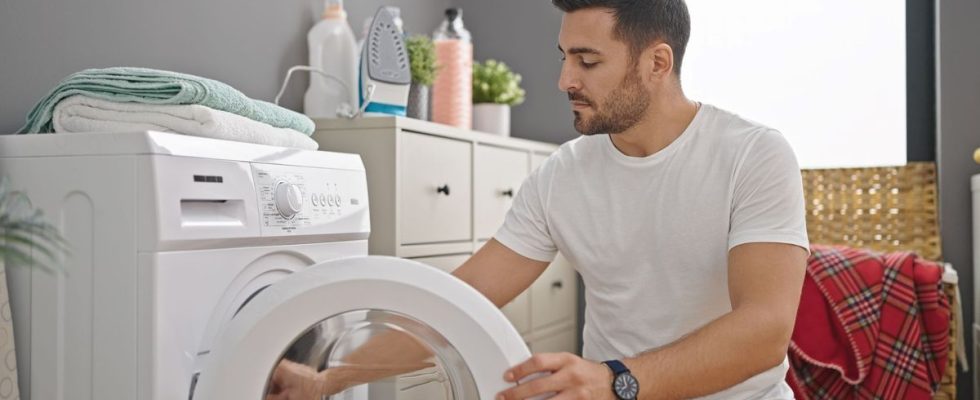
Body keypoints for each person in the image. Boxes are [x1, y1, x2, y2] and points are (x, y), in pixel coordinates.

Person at [268, 0, 808, 399]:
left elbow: (764, 330)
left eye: (587, 61)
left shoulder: (753, 155)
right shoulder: (563, 176)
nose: (564, 79)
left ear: (657, 64)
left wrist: (617, 380)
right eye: (564, 57)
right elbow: (460, 303)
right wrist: (328, 381)